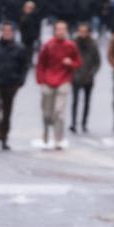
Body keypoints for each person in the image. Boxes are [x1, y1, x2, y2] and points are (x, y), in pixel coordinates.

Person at [36, 20, 81, 149]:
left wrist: (70, 63)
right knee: (47, 113)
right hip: (48, 81)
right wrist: (41, 80)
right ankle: (46, 132)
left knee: (59, 111)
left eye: (63, 29)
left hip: (64, 80)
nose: (61, 32)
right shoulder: (48, 45)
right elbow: (41, 64)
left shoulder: (71, 45)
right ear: (55, 31)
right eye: (58, 29)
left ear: (66, 31)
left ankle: (58, 138)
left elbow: (78, 62)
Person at [0, 22, 29, 150]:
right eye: (5, 31)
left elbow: (24, 66)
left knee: (7, 111)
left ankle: (4, 137)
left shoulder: (19, 49)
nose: (7, 33)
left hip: (11, 83)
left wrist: (20, 80)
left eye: (9, 31)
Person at [70, 23, 101, 134]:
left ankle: (84, 123)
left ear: (88, 32)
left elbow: (97, 62)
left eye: (84, 31)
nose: (82, 33)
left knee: (87, 101)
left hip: (88, 76)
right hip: (76, 76)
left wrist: (91, 73)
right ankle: (73, 122)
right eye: (80, 31)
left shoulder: (93, 45)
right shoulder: (73, 44)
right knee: (75, 101)